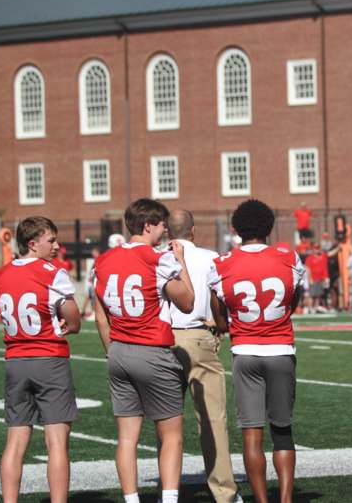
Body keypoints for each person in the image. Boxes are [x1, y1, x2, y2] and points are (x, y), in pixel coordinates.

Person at [93, 198, 195, 503]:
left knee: (126, 437)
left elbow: (100, 316)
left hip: (119, 350)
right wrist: (181, 263)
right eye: (162, 224)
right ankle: (169, 499)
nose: (165, 230)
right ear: (148, 224)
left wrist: (112, 350)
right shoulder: (157, 259)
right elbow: (187, 301)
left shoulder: (104, 259)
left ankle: (131, 500)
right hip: (152, 349)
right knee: (172, 435)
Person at [207, 199, 304, 503]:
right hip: (280, 349)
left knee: (252, 432)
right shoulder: (289, 257)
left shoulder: (221, 263)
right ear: (269, 227)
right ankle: (285, 499)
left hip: (245, 350)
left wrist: (229, 325)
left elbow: (220, 315)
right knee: (283, 430)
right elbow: (293, 302)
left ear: (236, 230)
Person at [0, 216, 82, 503]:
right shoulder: (52, 272)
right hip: (49, 358)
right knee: (56, 442)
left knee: (15, 442)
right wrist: (68, 323)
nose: (56, 245)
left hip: (15, 361)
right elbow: (74, 319)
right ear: (33, 243)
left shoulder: (0, 275)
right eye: (50, 240)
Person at [165, 210, 242, 503]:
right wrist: (220, 325)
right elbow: (220, 299)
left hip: (163, 340)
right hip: (199, 335)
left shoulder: (158, 257)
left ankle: (168, 491)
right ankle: (224, 493)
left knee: (166, 421)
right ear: (193, 231)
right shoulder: (212, 257)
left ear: (167, 232)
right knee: (212, 419)